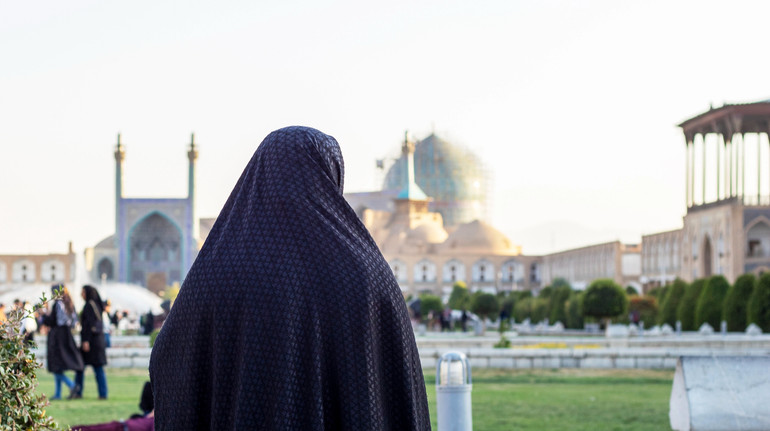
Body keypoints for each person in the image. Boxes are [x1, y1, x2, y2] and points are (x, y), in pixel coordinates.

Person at [150, 126, 430, 429]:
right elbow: (396, 380)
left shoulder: (218, 269)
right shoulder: (365, 272)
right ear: (330, 176)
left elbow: (170, 353)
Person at [43, 285, 84, 400]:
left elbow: (52, 321)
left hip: (57, 337)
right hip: (67, 335)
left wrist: (45, 313)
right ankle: (58, 393)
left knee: (56, 365)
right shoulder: (69, 303)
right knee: (58, 366)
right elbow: (73, 321)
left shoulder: (57, 304)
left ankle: (72, 385)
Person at [72, 285, 108, 399]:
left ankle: (78, 391)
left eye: (83, 292)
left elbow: (88, 325)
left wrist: (86, 341)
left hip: (91, 342)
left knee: (80, 367)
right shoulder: (97, 305)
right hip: (98, 340)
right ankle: (103, 393)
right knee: (98, 368)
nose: (81, 295)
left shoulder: (89, 306)